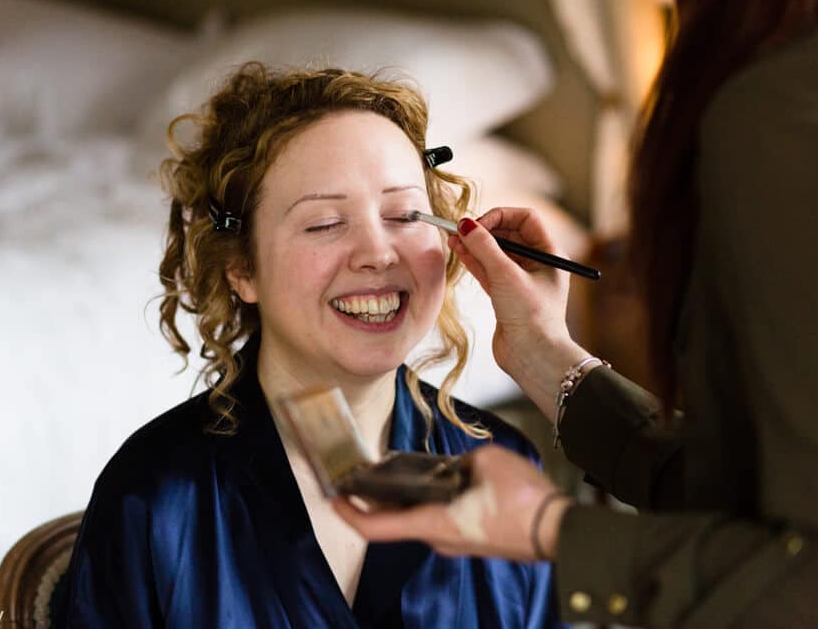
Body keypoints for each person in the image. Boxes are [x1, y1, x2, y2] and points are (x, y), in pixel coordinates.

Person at [333, 0, 818, 626]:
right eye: (322, 220)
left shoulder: (776, 116)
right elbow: (759, 495)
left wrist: (547, 530)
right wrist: (546, 355)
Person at [63, 63, 562, 627]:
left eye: (403, 214)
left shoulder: (505, 468)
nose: (378, 252)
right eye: (325, 223)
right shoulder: (157, 500)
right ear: (241, 268)